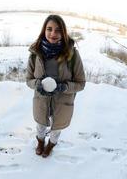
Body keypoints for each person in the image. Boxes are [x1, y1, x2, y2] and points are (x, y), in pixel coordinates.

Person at [26, 14, 86, 158]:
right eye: (49, 29)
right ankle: (40, 142)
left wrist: (63, 87)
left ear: (63, 33)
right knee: (40, 125)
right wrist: (38, 84)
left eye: (58, 30)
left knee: (56, 128)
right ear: (44, 31)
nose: (53, 33)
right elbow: (29, 80)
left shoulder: (72, 55)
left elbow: (81, 83)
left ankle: (51, 145)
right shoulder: (35, 54)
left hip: (62, 103)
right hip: (41, 101)